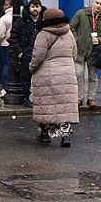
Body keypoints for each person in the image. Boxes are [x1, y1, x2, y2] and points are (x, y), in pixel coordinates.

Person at [29, 8, 79, 147]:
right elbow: (75, 52)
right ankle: (65, 137)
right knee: (65, 106)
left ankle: (45, 134)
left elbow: (38, 56)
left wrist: (31, 68)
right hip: (67, 74)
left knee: (47, 104)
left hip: (47, 74)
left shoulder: (43, 34)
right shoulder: (68, 32)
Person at [70, 0, 101, 109]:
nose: (98, 6)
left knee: (92, 76)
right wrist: (77, 39)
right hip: (79, 50)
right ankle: (79, 98)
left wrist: (99, 40)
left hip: (94, 52)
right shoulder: (81, 13)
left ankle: (91, 98)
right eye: (97, 3)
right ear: (93, 2)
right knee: (78, 74)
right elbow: (71, 27)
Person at [9, 0, 43, 107]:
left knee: (41, 78)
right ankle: (26, 98)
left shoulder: (44, 22)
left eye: (37, 6)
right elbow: (14, 36)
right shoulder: (21, 22)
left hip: (40, 54)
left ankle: (40, 98)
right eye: (33, 6)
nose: (35, 9)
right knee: (26, 78)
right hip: (26, 54)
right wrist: (20, 52)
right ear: (29, 8)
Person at [0, 0, 14, 99]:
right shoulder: (24, 16)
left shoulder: (4, 19)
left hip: (6, 44)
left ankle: (6, 87)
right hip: (21, 45)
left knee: (6, 65)